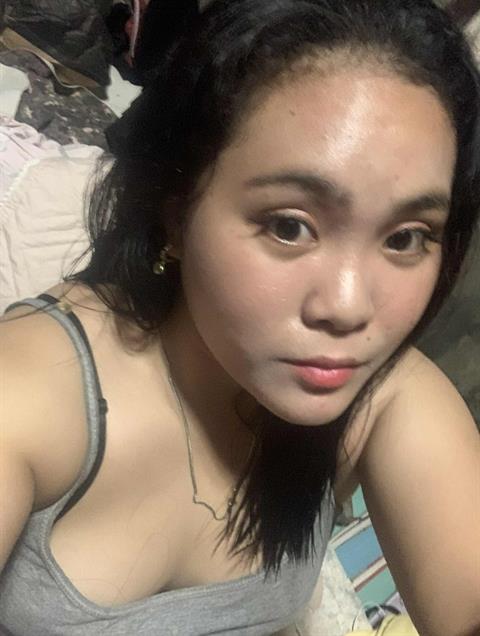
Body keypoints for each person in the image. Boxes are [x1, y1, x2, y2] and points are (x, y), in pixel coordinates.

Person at [1, 1, 479, 634]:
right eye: (289, 226)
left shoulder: (380, 396)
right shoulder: (30, 394)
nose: (349, 308)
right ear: (176, 210)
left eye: (405, 238)